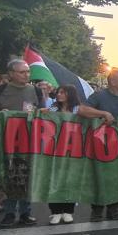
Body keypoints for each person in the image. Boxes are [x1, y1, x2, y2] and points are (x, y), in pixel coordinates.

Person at [0, 59, 43, 226]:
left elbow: (42, 112)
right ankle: (9, 213)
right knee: (9, 176)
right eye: (22, 72)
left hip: (29, 141)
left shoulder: (36, 91)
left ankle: (26, 212)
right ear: (11, 74)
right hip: (6, 141)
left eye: (28, 72)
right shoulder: (0, 90)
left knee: (27, 177)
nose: (26, 75)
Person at [79, 68, 118, 220]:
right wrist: (103, 114)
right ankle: (97, 209)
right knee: (100, 175)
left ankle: (114, 208)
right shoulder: (99, 96)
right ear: (112, 82)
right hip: (102, 143)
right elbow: (82, 110)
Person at [45, 85, 81, 225]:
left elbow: (90, 116)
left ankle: (68, 211)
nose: (58, 94)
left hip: (72, 150)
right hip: (53, 149)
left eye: (62, 92)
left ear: (70, 94)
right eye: (58, 92)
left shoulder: (77, 109)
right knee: (54, 180)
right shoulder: (53, 108)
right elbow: (43, 117)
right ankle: (55, 212)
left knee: (70, 180)